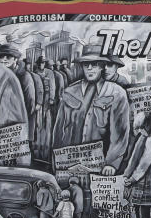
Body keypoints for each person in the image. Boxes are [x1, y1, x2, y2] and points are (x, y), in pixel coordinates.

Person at [53, 45, 132, 173]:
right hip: (69, 164)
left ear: (102, 66)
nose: (89, 68)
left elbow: (120, 133)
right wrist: (56, 161)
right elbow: (59, 130)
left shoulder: (116, 93)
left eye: (94, 64)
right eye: (86, 65)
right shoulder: (69, 92)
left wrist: (111, 163)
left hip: (100, 167)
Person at [123, 111, 151, 218]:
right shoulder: (143, 137)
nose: (139, 130)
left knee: (144, 212)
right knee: (137, 210)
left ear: (148, 126)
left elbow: (145, 163)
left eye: (141, 127)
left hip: (143, 179)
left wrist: (132, 178)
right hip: (137, 178)